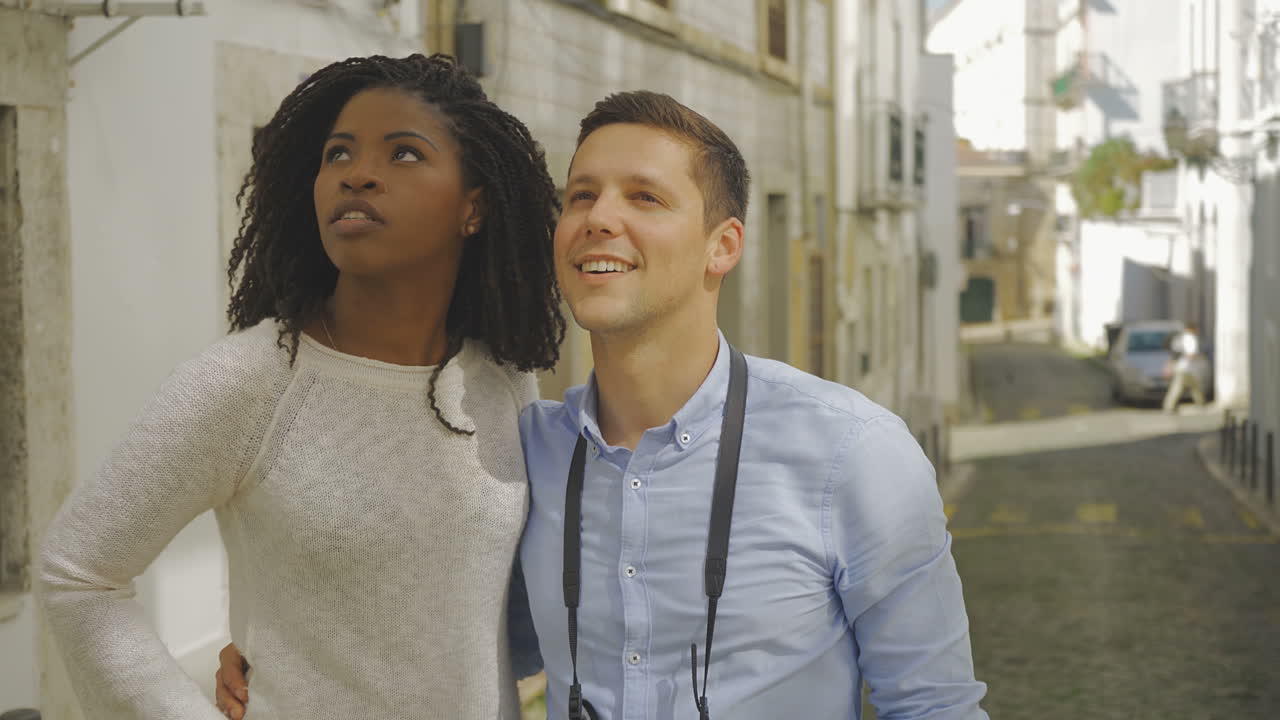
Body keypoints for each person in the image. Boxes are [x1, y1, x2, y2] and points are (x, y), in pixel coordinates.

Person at [220, 90, 987, 719]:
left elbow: (936, 706)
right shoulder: (522, 453)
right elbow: (447, 644)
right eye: (580, 195)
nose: (598, 217)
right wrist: (285, 650)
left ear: (723, 246)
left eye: (644, 197)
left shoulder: (853, 454)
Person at [39, 54, 560, 720]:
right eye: (337, 154)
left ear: (474, 207)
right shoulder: (249, 384)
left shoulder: (505, 379)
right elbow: (78, 573)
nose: (358, 174)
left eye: (403, 154)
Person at [1162, 323, 1206, 413]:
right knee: (1193, 387)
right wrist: (1200, 357)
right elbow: (1191, 354)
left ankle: (1169, 406)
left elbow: (1174, 354)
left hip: (1181, 367)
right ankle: (1201, 404)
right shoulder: (1191, 339)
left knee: (1182, 387)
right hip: (1189, 368)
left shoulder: (1181, 338)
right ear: (1193, 329)